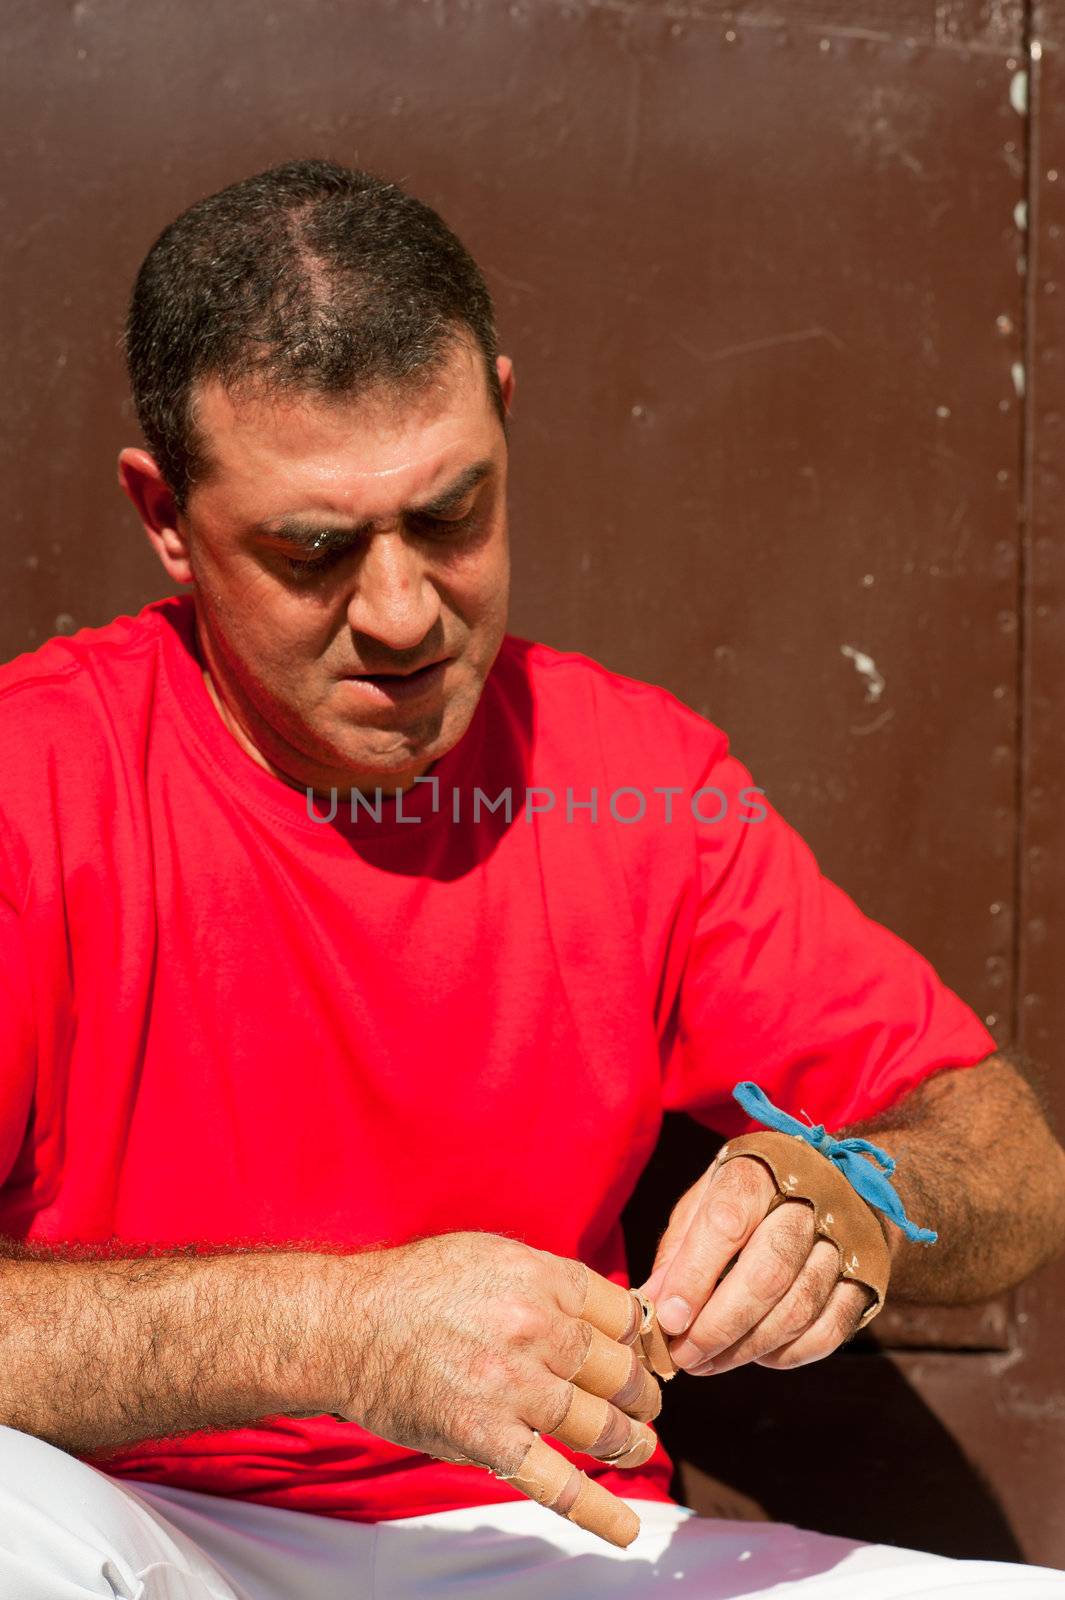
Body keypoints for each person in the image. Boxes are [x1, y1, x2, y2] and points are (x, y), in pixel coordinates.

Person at [0, 157, 1063, 1599]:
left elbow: (1008, 1162)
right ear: (166, 519)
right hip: (130, 1529)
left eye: (450, 516)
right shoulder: (35, 777)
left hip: (553, 1539)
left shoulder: (635, 774)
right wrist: (337, 1332)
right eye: (311, 550)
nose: (399, 612)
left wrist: (858, 1194)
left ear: (504, 413)